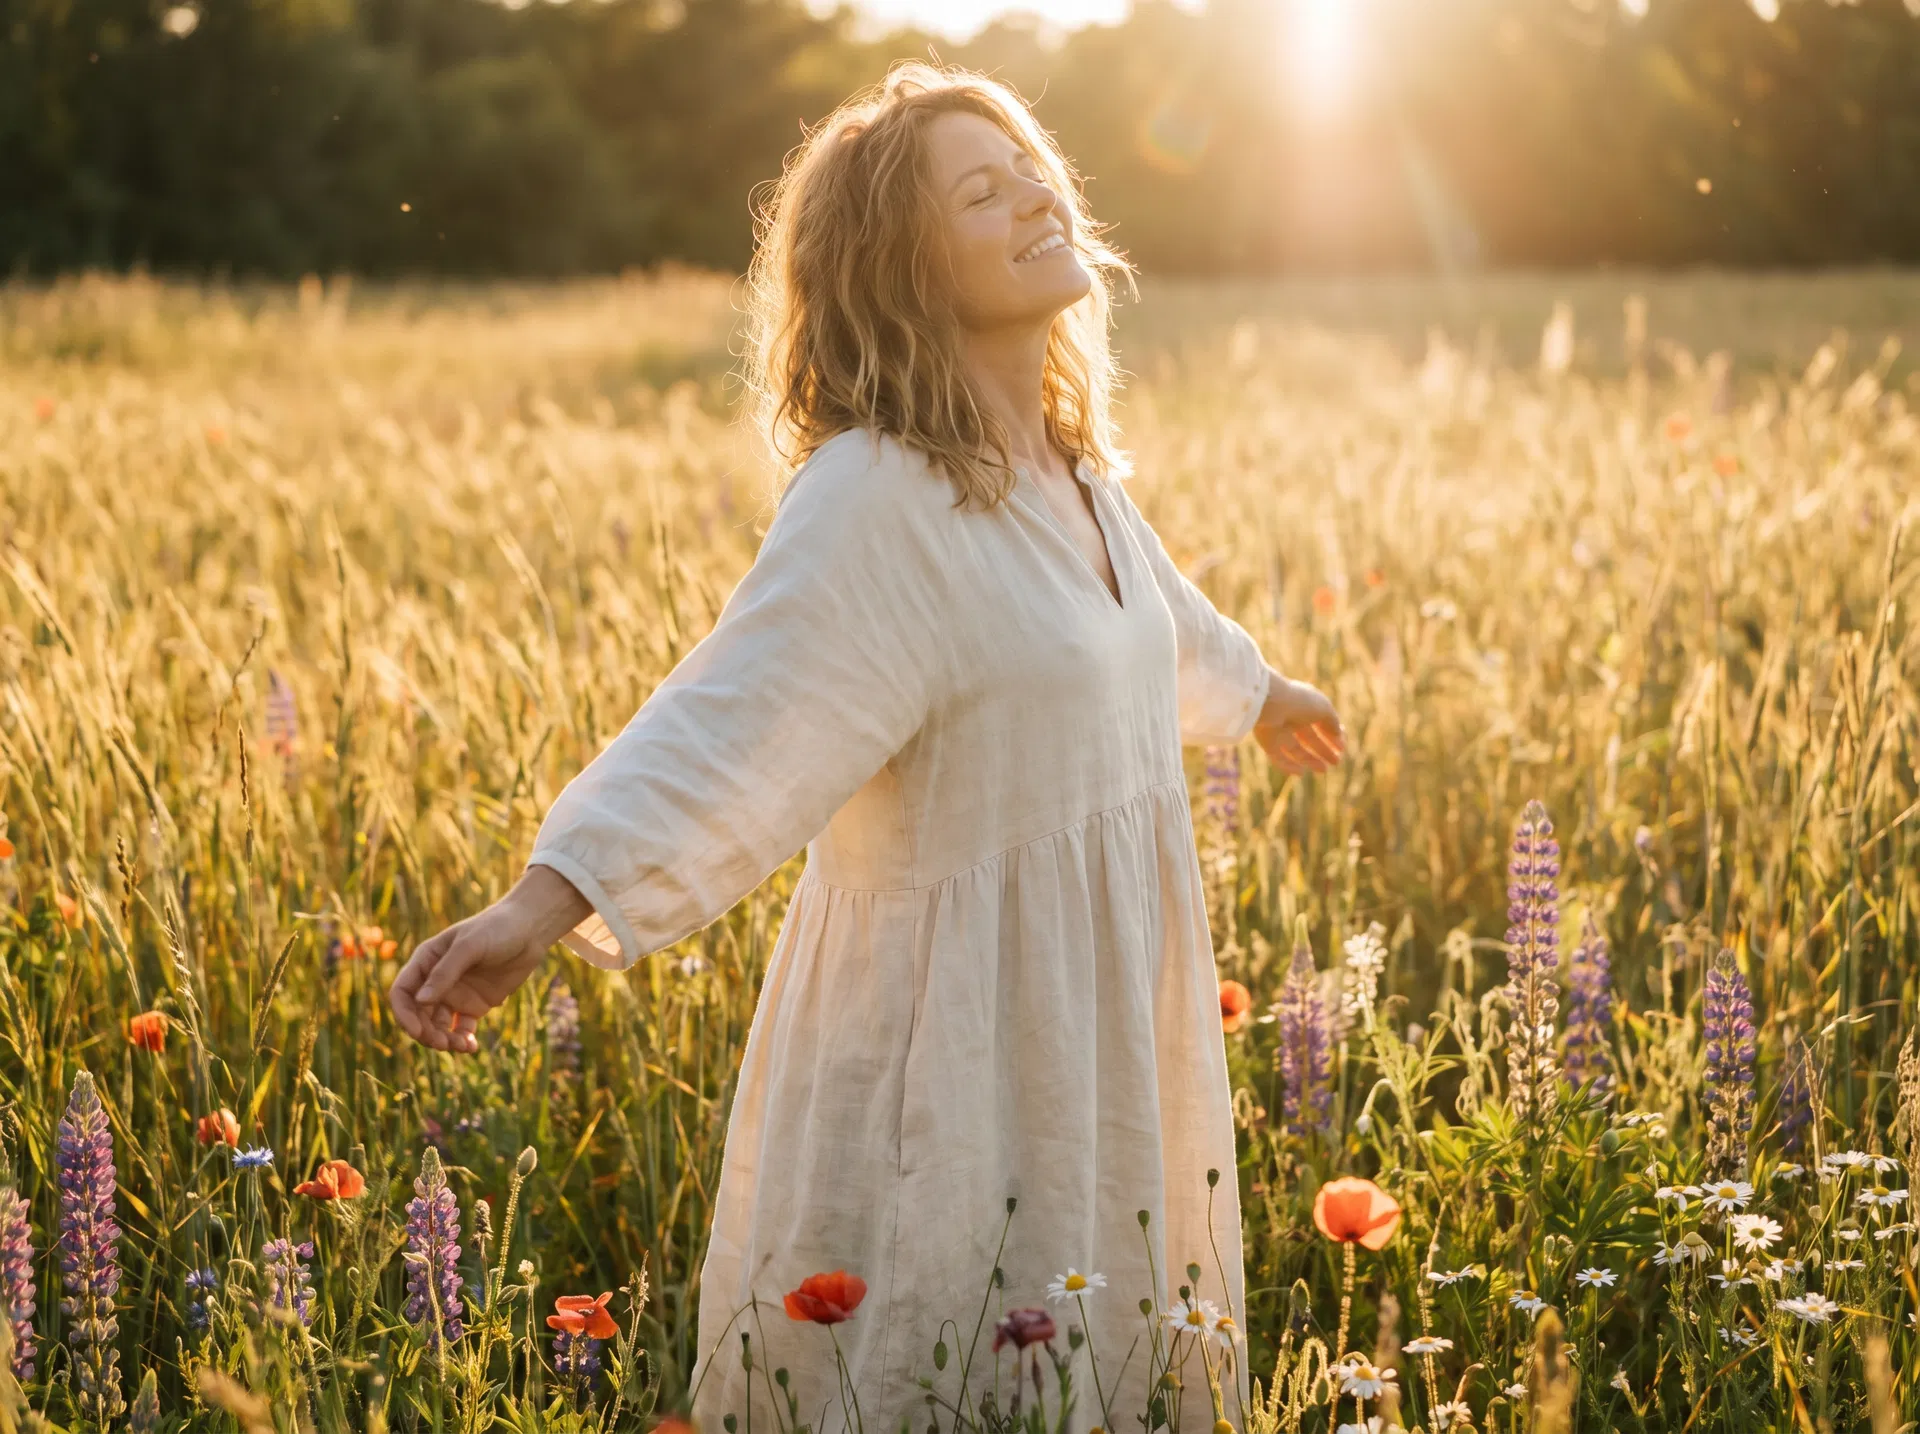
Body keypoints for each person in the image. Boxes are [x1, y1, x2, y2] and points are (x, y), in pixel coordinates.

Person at [389, 60, 1344, 1434]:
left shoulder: (1070, 471)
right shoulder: (878, 495)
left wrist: (1263, 690)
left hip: (1097, 1026)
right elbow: (732, 715)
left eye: (1028, 164)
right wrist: (545, 902)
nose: (1032, 190)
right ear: (906, 270)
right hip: (957, 1049)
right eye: (981, 187)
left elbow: (1152, 626)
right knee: (943, 1355)